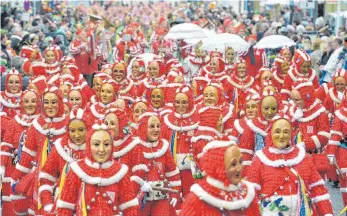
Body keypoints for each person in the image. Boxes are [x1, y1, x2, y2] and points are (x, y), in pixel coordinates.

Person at [248, 117, 334, 216]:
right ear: (270, 134)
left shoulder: (303, 157)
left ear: (291, 135)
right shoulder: (260, 159)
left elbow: (318, 189)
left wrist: (327, 213)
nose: (281, 136)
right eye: (277, 132)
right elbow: (251, 194)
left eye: (285, 132)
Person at [57, 121, 139, 215]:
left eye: (106, 144)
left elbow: (131, 209)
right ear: (89, 146)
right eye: (96, 144)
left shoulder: (121, 172)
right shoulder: (76, 170)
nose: (101, 150)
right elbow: (64, 209)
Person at [11, 86, 68, 215]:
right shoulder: (36, 126)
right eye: (46, 103)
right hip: (41, 178)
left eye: (53, 102)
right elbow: (27, 156)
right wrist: (16, 177)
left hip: (63, 178)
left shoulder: (69, 125)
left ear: (60, 103)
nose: (50, 106)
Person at [179, 142, 260, 216]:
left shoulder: (248, 193)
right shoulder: (198, 198)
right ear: (218, 167)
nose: (239, 168)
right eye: (233, 164)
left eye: (241, 162)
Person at [38, 107, 91, 214]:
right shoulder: (60, 148)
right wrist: (48, 204)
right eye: (72, 130)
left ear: (88, 128)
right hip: (62, 205)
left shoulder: (96, 148)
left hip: (89, 206)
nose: (76, 135)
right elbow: (46, 177)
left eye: (81, 130)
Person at [130, 112, 181, 216]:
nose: (156, 129)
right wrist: (140, 184)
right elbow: (128, 176)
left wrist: (175, 194)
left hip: (161, 199)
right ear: (144, 128)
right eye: (152, 126)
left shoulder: (163, 147)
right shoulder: (134, 148)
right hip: (141, 200)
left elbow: (172, 172)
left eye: (158, 126)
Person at [0, 90, 41, 215]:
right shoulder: (14, 122)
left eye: (33, 101)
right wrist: (1, 166)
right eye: (27, 101)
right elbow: (6, 146)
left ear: (38, 104)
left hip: (33, 170)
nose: (30, 104)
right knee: (12, 206)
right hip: (13, 170)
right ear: (21, 104)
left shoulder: (41, 124)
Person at [162, 86, 199, 198]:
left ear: (190, 102)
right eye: (177, 102)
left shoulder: (198, 120)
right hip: (172, 168)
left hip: (193, 167)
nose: (180, 106)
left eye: (184, 102)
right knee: (174, 198)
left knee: (193, 196)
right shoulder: (168, 120)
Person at [289, 82, 330, 176]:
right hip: (295, 156)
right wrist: (294, 120)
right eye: (293, 100)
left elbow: (324, 137)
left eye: (297, 100)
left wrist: (305, 144)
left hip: (313, 158)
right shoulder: (296, 110)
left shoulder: (320, 113)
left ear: (307, 98)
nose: (294, 103)